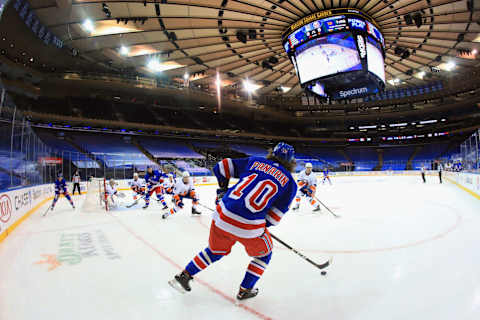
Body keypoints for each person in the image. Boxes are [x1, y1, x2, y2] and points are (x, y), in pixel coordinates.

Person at [169, 142, 297, 300]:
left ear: (272, 153)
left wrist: (223, 190)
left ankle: (184, 275)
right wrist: (257, 223)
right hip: (250, 227)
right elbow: (273, 219)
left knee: (214, 251)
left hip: (222, 214)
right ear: (292, 161)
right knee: (264, 255)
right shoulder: (290, 183)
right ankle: (245, 290)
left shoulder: (255, 161)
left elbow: (221, 167)